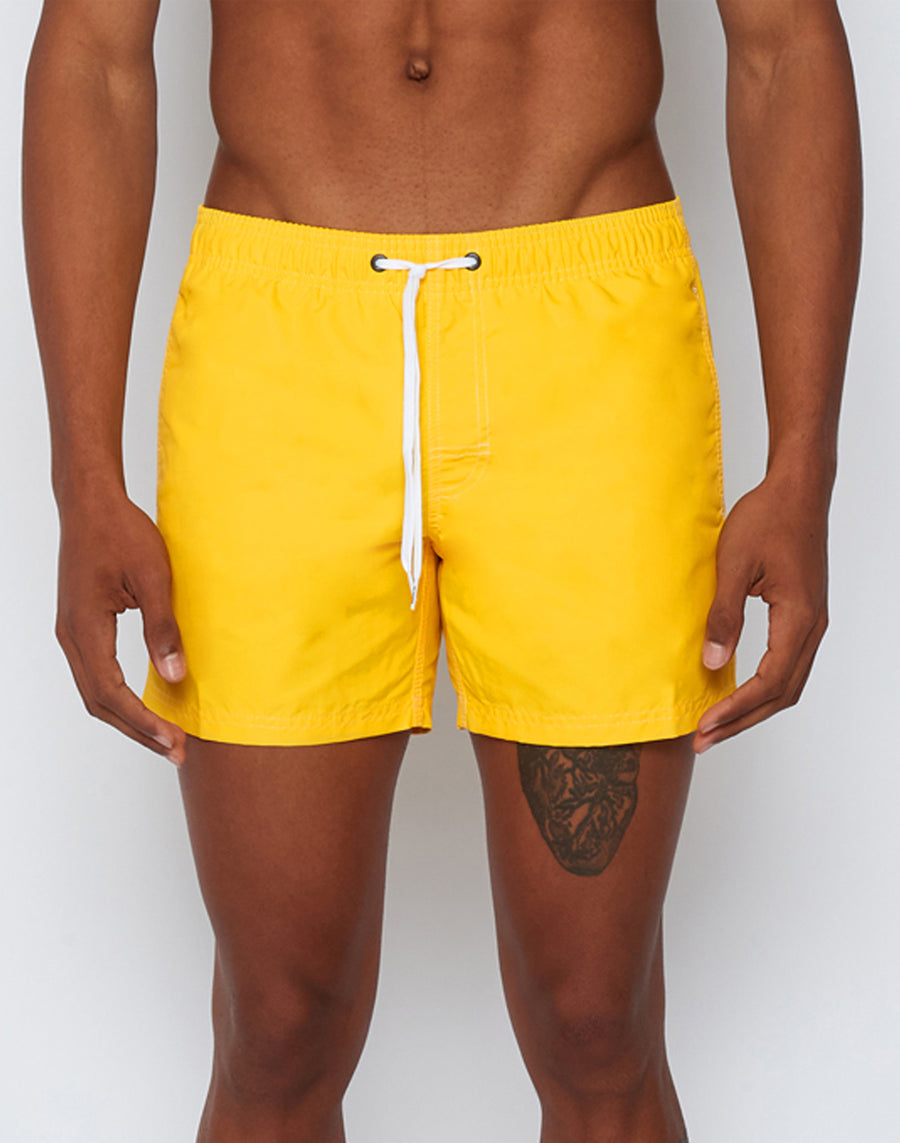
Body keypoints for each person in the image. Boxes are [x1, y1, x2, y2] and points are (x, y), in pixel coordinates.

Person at [21, 1, 862, 1140]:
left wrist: (804, 467)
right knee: (279, 1026)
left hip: (587, 345)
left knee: (596, 1023)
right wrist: (83, 479)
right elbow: (93, 55)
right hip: (279, 354)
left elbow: (784, 44)